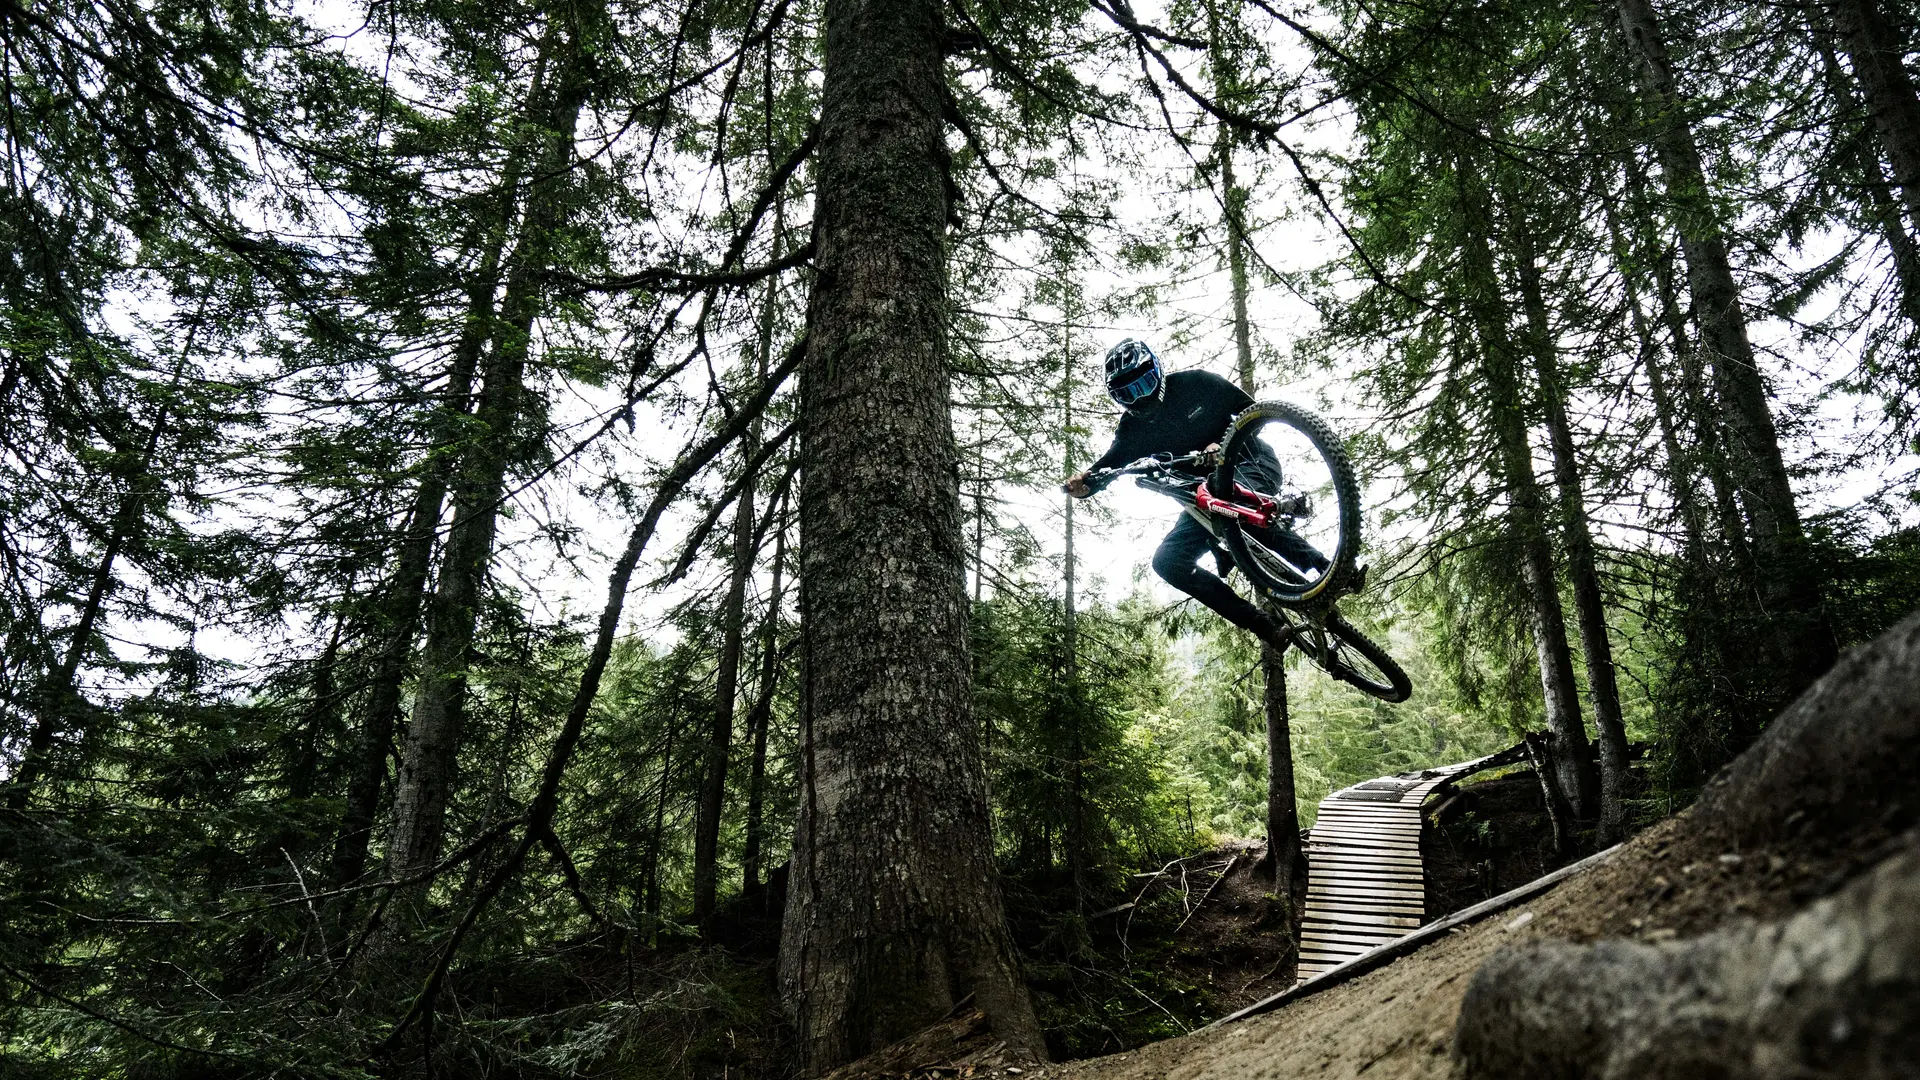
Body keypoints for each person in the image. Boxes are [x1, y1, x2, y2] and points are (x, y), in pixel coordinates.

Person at [1066, 339, 1301, 651]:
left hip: (1251, 463)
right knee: (1168, 561)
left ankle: (1322, 568)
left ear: (1158, 372)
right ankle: (1265, 626)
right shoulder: (1131, 429)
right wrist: (1084, 485)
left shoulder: (1197, 384)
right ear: (1118, 397)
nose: (1141, 397)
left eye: (1145, 384)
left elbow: (1252, 413)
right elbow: (1109, 466)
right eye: (1128, 393)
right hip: (1205, 501)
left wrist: (1224, 442)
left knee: (1228, 502)